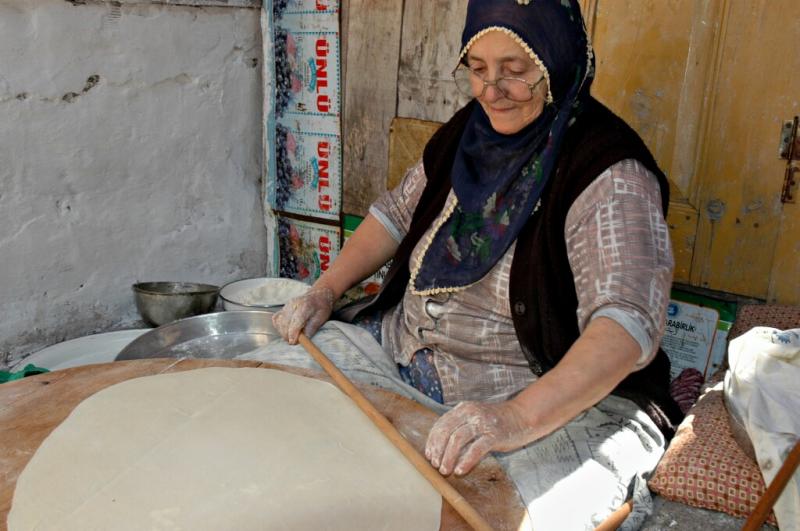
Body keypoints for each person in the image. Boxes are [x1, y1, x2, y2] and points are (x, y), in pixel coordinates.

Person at [273, 0, 682, 527]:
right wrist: (324, 291)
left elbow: (625, 326)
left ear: (559, 63)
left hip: (539, 405)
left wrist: (512, 419)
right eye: (478, 69)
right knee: (280, 390)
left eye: (515, 72)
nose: (492, 91)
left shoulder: (608, 173)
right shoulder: (470, 132)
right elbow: (396, 215)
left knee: (500, 513)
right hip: (402, 359)